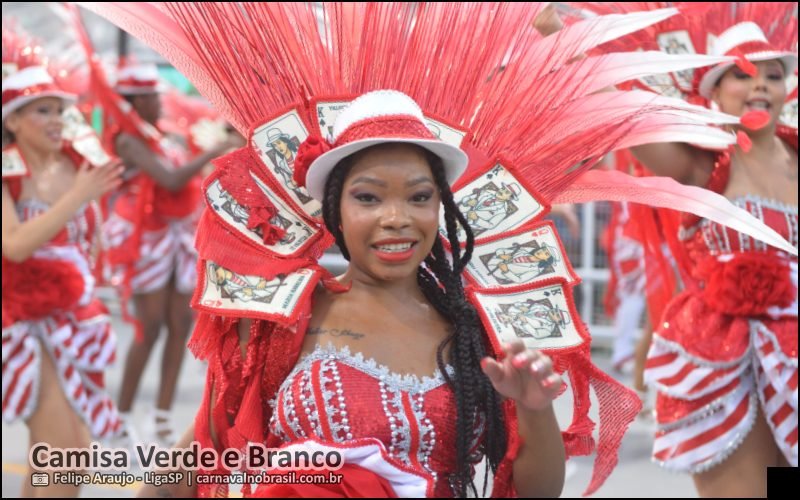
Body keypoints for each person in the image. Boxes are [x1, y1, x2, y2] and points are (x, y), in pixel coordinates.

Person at [632, 20, 798, 497]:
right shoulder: (704, 162)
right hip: (725, 358)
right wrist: (567, 50)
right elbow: (623, 124)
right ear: (716, 91)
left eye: (771, 74)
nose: (760, 85)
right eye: (743, 75)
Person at [102, 63, 243, 447]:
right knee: (148, 330)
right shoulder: (126, 140)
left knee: (180, 326)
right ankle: (121, 420)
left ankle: (161, 419)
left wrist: (220, 144)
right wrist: (213, 150)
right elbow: (170, 179)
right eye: (149, 96)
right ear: (133, 102)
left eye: (157, 94)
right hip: (144, 241)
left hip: (178, 238)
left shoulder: (161, 134)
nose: (157, 101)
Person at [2, 65, 123, 496]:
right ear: (12, 120)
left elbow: (89, 242)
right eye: (41, 110)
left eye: (59, 109)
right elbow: (13, 245)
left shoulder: (79, 165)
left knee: (52, 459)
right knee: (65, 462)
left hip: (77, 320)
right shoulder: (6, 176)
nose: (56, 119)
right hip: (22, 324)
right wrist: (77, 198)